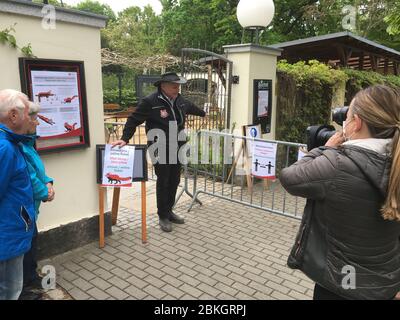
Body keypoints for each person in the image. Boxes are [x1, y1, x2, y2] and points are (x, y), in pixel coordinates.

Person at [280, 84, 400, 300]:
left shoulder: (337, 164)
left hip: (341, 286)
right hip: (386, 287)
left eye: (349, 115)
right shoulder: (396, 162)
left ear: (358, 122)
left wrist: (326, 148)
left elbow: (290, 177)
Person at [112, 72, 206, 232]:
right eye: (174, 85)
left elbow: (191, 107)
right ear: (163, 86)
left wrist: (203, 113)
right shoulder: (150, 102)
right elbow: (133, 120)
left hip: (178, 146)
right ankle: (162, 215)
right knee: (164, 181)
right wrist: (125, 138)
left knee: (175, 180)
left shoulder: (180, 100)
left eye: (178, 85)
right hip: (160, 147)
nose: (177, 88)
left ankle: (169, 211)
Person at [0, 89, 36, 300]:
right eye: (27, 113)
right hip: (6, 238)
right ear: (13, 115)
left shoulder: (10, 143)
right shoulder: (4, 148)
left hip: (10, 234)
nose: (30, 118)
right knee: (9, 292)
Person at [19, 102, 55, 300]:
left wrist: (48, 181)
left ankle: (31, 278)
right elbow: (28, 176)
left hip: (31, 207)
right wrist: (46, 192)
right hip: (24, 208)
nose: (37, 122)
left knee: (32, 242)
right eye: (34, 118)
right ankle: (23, 289)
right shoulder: (17, 145)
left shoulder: (27, 142)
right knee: (24, 246)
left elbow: (37, 169)